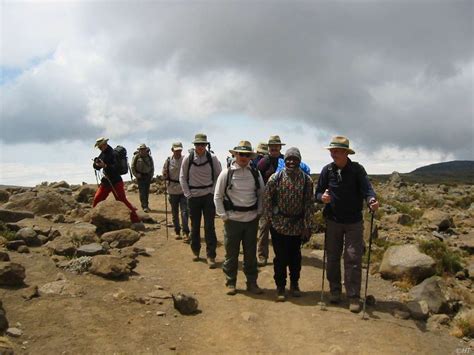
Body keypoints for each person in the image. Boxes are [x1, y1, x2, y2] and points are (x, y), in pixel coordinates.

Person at [315, 136, 379, 313]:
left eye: (336, 151)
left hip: (353, 222)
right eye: (331, 151)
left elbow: (367, 189)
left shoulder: (357, 170)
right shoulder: (327, 170)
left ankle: (353, 296)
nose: (333, 154)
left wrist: (372, 200)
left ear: (345, 152)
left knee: (353, 258)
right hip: (333, 220)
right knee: (333, 257)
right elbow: (317, 193)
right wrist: (322, 198)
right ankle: (335, 291)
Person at [262, 147, 314, 302]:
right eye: (289, 159)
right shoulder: (275, 178)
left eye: (295, 159)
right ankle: (280, 287)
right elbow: (267, 201)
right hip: (279, 224)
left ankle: (294, 284)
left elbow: (309, 204)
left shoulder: (306, 180)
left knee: (295, 257)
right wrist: (268, 220)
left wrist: (307, 226)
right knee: (280, 258)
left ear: (299, 160)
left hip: (297, 225)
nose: (291, 161)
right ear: (284, 161)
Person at [214, 140, 265, 295]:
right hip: (233, 221)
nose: (243, 157)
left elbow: (261, 194)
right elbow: (217, 196)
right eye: (241, 154)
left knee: (250, 255)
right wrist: (223, 216)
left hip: (251, 220)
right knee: (231, 253)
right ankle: (231, 282)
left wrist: (259, 211)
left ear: (251, 156)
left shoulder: (255, 173)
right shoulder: (226, 173)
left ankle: (252, 283)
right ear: (235, 154)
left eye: (247, 154)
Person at [180, 133, 222, 268]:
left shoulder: (212, 158)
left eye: (202, 144)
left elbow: (218, 176)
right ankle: (196, 250)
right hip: (193, 197)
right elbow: (182, 177)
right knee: (195, 225)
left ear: (206, 145)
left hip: (208, 196)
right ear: (194, 145)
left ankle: (211, 255)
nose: (200, 147)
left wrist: (212, 191)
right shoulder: (188, 158)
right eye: (198, 144)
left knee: (210, 227)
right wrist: (188, 194)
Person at [92, 137, 140, 223]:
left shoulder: (113, 154)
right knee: (97, 199)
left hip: (116, 181)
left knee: (122, 200)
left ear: (104, 144)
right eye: (98, 147)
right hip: (106, 181)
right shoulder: (102, 154)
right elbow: (97, 167)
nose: (99, 148)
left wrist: (105, 166)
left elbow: (116, 168)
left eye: (100, 146)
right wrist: (96, 164)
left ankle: (136, 220)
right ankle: (94, 219)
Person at [256, 135, 285, 267]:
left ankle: (281, 255)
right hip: (266, 199)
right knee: (264, 228)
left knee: (280, 229)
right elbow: (257, 178)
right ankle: (262, 256)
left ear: (280, 147)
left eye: (276, 146)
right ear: (268, 148)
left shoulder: (285, 160)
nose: (274, 148)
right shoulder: (263, 162)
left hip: (282, 200)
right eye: (272, 146)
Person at [162, 142, 190, 242]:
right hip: (172, 190)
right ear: (172, 150)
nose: (178, 152)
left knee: (184, 212)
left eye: (180, 150)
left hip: (183, 189)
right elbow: (164, 173)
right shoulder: (168, 161)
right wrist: (165, 175)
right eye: (176, 150)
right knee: (174, 212)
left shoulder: (185, 160)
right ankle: (177, 231)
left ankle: (186, 232)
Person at [131, 143, 154, 212]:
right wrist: (136, 175)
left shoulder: (149, 157)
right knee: (142, 192)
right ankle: (144, 206)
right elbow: (132, 167)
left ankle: (146, 205)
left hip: (147, 176)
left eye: (144, 149)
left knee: (146, 192)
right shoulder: (136, 157)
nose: (142, 151)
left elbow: (152, 167)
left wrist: (151, 175)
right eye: (141, 149)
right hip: (140, 176)